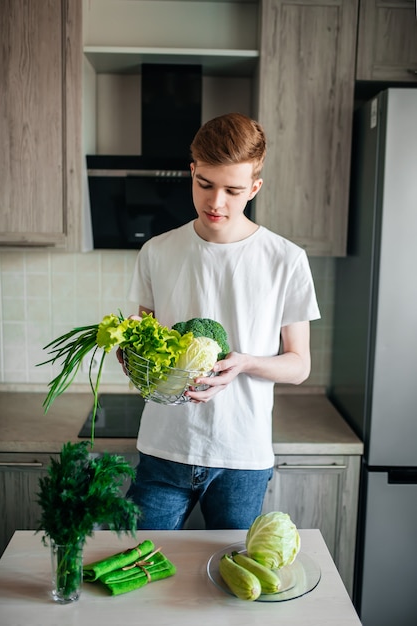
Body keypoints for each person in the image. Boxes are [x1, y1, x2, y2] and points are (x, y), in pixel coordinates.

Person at [121, 112, 320, 530]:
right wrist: (132, 358)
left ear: (254, 186)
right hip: (164, 449)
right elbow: (141, 340)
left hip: (241, 457)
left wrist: (245, 362)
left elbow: (299, 365)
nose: (216, 202)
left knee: (230, 585)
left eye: (232, 190)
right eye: (205, 184)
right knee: (136, 571)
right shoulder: (157, 252)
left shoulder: (286, 260)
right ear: (192, 172)